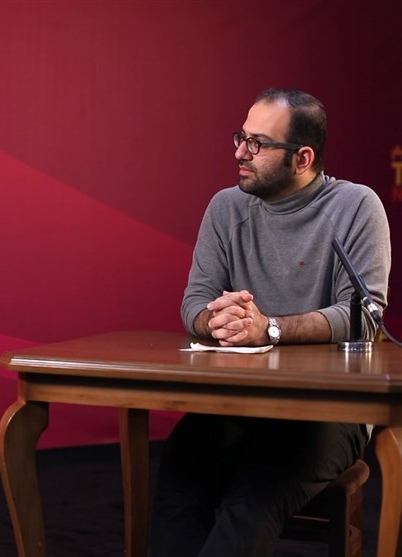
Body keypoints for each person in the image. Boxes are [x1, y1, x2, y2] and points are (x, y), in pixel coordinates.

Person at [150, 88, 391, 557]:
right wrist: (219, 321)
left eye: (257, 143)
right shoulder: (225, 207)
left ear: (302, 158)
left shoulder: (357, 206)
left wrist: (270, 328)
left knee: (251, 499)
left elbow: (363, 317)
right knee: (180, 483)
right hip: (236, 400)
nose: (240, 152)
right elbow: (195, 301)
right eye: (241, 137)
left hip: (330, 410)